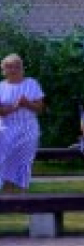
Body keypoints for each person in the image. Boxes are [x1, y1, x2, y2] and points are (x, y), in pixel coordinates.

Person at [0, 54, 46, 192]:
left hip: (28, 128)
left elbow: (40, 108)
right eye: (8, 67)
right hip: (6, 128)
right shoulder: (1, 86)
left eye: (16, 66)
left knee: (24, 161)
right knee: (6, 160)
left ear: (21, 68)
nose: (13, 69)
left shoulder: (32, 83)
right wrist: (15, 106)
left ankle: (23, 194)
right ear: (3, 69)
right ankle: (7, 194)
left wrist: (27, 103)